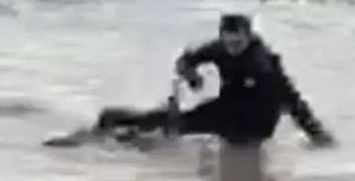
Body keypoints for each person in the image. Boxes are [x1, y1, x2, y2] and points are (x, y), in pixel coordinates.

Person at [94, 13, 336, 148]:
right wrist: (192, 77)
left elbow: (291, 99)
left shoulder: (262, 63)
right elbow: (186, 60)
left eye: (238, 44)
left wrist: (316, 133)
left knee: (182, 131)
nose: (232, 49)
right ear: (221, 38)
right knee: (170, 127)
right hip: (226, 108)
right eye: (228, 43)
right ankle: (115, 124)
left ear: (249, 37)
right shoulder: (218, 48)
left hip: (255, 124)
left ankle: (124, 130)